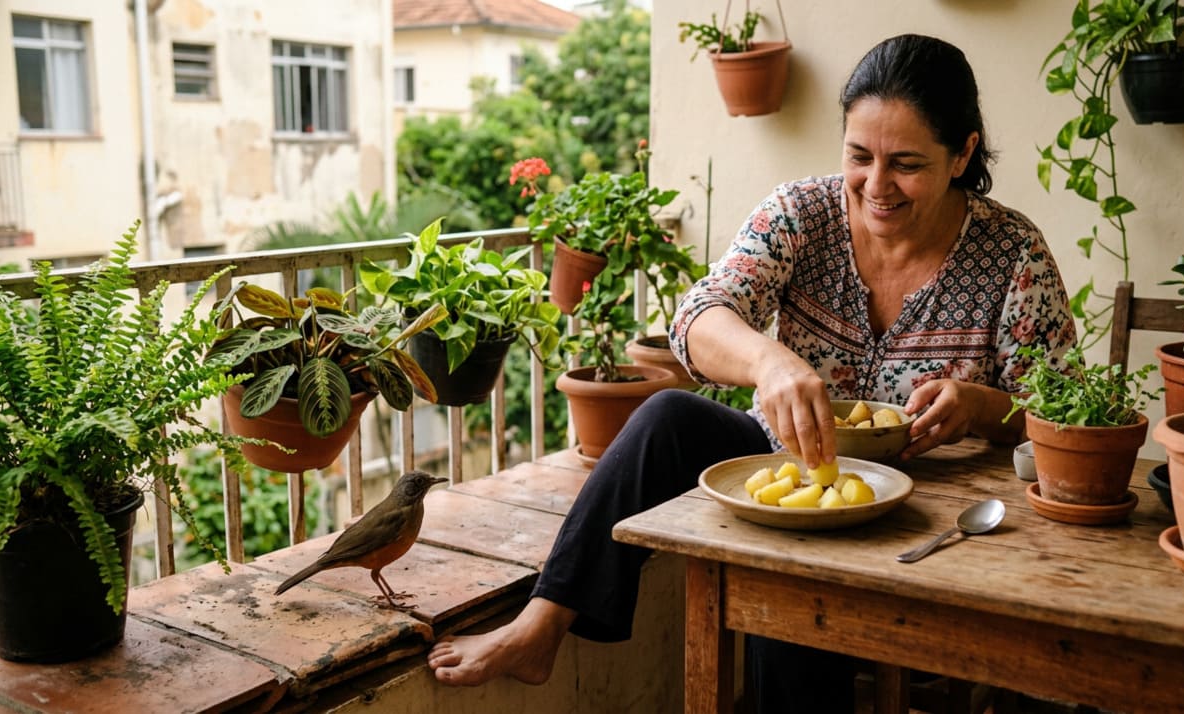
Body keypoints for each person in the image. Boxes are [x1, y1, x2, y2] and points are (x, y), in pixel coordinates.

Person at [427, 33, 1076, 709]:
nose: (876, 186)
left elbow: (1062, 418)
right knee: (667, 419)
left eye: (906, 164)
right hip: (792, 481)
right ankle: (540, 627)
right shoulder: (802, 213)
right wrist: (769, 361)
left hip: (930, 507)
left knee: (814, 592)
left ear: (963, 153)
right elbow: (697, 318)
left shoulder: (1013, 253)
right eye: (859, 156)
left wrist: (979, 406)